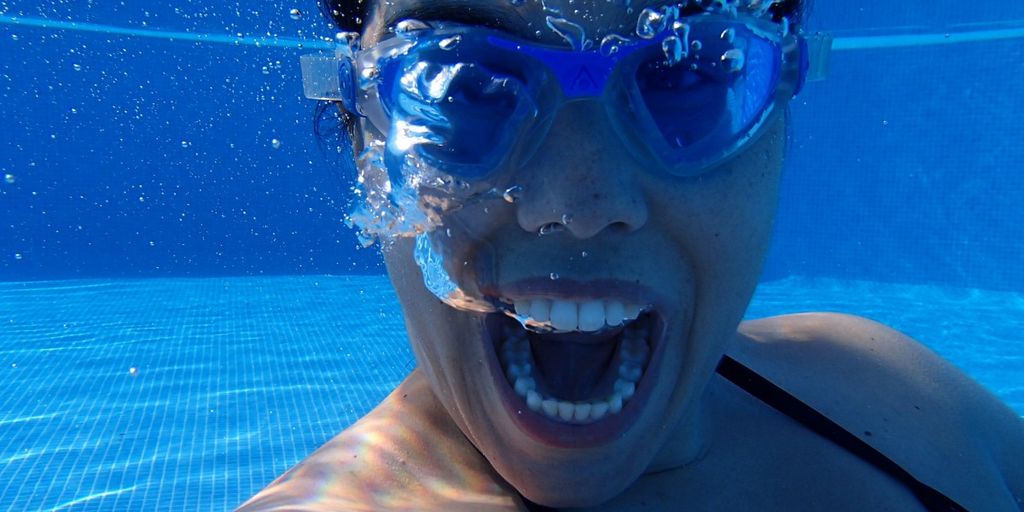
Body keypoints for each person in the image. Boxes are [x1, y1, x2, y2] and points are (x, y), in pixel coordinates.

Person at [240, 1, 1024, 510]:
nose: (578, 207)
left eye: (690, 75)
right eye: (464, 86)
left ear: (781, 107)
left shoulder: (883, 386)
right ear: (362, 139)